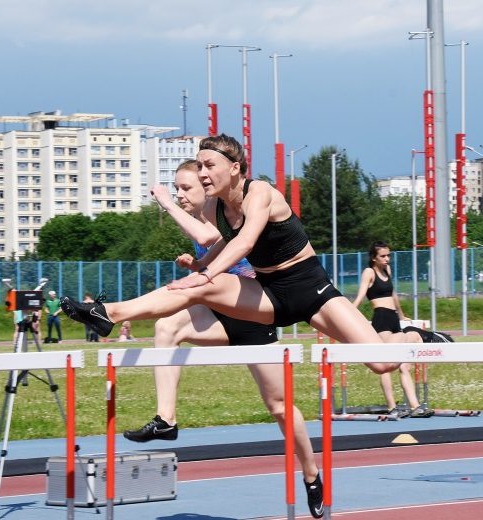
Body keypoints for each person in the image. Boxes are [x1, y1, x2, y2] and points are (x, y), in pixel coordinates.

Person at [62, 135, 399, 518]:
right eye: (199, 167)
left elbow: (246, 241)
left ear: (235, 168)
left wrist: (203, 273)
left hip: (311, 290)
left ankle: (311, 473)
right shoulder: (218, 208)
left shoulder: (261, 193)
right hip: (267, 295)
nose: (204, 175)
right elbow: (222, 244)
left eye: (209, 167)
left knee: (381, 363)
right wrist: (202, 273)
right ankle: (109, 314)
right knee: (189, 302)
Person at [118, 160, 327, 519]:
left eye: (187, 189)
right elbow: (207, 253)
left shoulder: (224, 213)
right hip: (220, 312)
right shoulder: (207, 216)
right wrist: (194, 266)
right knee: (167, 328)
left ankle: (311, 473)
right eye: (178, 189)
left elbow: (208, 238)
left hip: (254, 315)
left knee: (279, 407)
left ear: (207, 188)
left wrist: (165, 203)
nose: (182, 195)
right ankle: (166, 419)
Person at [352, 241, 450, 418]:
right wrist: (349, 315)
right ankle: (391, 406)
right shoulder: (369, 272)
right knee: (386, 363)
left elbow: (393, 295)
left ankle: (415, 406)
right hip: (381, 320)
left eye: (388, 255)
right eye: (383, 256)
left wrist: (402, 315)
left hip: (393, 319)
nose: (387, 259)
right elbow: (360, 296)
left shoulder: (387, 271)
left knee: (405, 365)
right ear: (374, 258)